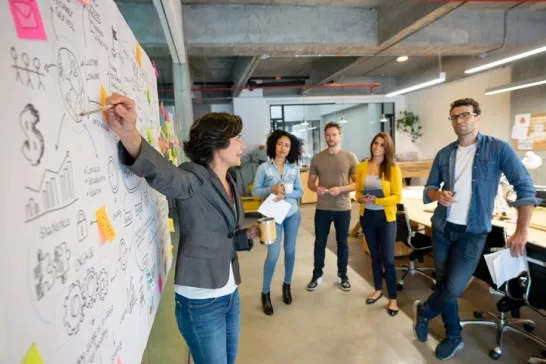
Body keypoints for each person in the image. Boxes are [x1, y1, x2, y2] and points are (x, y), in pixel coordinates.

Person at [105, 93, 259, 364]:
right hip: (201, 302)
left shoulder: (230, 182)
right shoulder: (192, 178)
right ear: (217, 143)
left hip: (229, 292)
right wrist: (130, 135)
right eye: (237, 139)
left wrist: (247, 235)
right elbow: (162, 173)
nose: (243, 146)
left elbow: (222, 237)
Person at [413, 98, 538, 360]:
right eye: (455, 117)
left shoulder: (498, 149)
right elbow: (428, 189)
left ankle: (424, 311)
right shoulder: (445, 153)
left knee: (453, 288)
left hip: (473, 233)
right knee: (443, 283)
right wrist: (438, 195)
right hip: (443, 228)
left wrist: (522, 229)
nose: (460, 120)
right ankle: (453, 334)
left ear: (477, 117)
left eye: (465, 115)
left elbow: (525, 187)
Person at [252, 130, 304, 315]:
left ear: (291, 149)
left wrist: (287, 193)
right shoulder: (264, 168)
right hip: (273, 217)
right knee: (273, 256)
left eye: (287, 145)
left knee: (290, 251)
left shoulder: (294, 168)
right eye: (280, 144)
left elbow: (300, 192)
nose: (283, 148)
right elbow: (255, 191)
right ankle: (265, 292)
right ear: (274, 145)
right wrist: (271, 189)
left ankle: (287, 285)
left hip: (292, 215)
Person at [306, 121, 358, 291]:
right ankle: (317, 275)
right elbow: (310, 182)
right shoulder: (317, 158)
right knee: (319, 242)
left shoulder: (350, 157)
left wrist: (341, 189)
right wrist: (316, 189)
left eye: (334, 134)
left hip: (343, 207)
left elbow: (358, 184)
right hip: (322, 207)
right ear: (325, 136)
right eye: (328, 135)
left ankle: (342, 275)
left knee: (342, 243)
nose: (331, 138)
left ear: (340, 136)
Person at [355, 132, 402, 316]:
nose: (377, 147)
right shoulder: (361, 167)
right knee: (374, 255)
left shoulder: (393, 169)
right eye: (375, 143)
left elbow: (397, 197)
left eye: (382, 145)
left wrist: (377, 201)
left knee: (388, 260)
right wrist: (361, 198)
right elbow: (358, 192)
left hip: (386, 218)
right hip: (367, 216)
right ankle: (377, 288)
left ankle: (393, 299)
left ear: (387, 148)